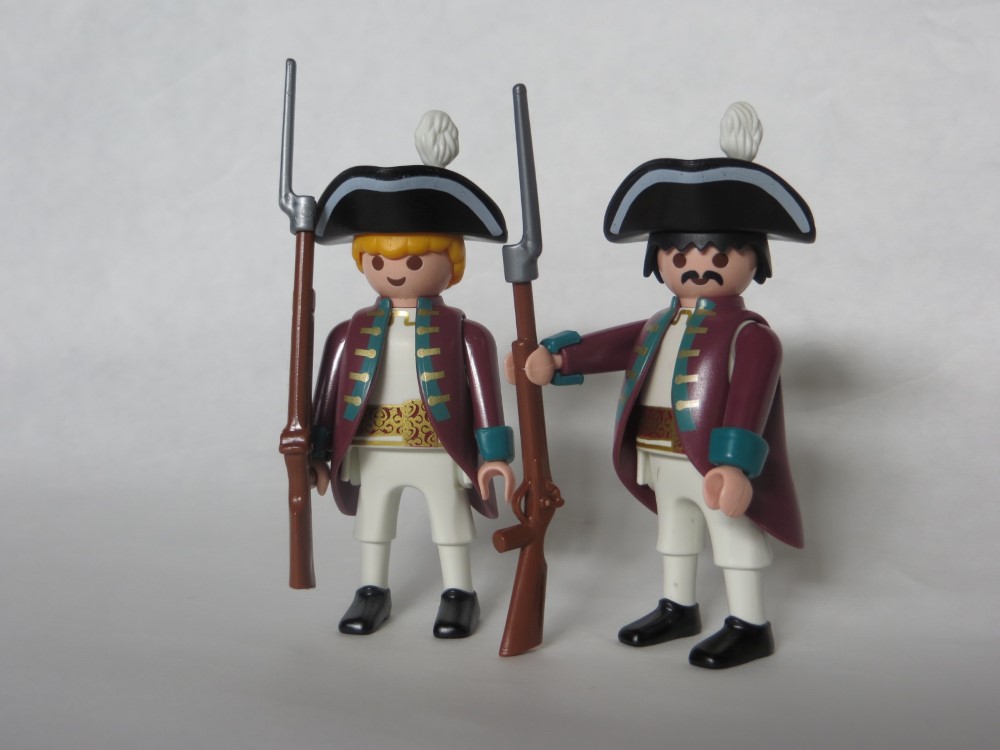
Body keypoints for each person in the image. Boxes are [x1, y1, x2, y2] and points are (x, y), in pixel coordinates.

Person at [519, 103, 816, 668]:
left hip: (712, 459)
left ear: (755, 262)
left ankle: (750, 622)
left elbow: (748, 404)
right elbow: (614, 346)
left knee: (733, 536)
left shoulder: (751, 336)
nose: (698, 267)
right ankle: (678, 605)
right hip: (660, 451)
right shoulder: (659, 324)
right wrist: (559, 359)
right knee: (675, 531)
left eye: (720, 256)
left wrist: (734, 464)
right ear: (658, 260)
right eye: (679, 255)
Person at [309, 111, 514, 639]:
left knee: (450, 521)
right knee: (373, 522)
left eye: (415, 260)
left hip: (440, 445)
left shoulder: (466, 333)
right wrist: (315, 451)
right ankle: (371, 590)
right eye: (378, 261)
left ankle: (459, 592)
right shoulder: (348, 333)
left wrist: (494, 455)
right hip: (371, 444)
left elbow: (486, 399)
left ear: (453, 264)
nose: (395, 271)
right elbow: (326, 397)